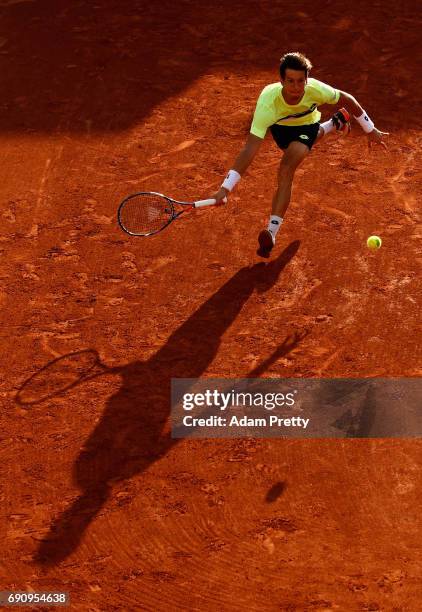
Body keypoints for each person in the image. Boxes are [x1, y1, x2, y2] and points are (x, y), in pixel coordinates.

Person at [211, 52, 389, 257]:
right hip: (280, 128)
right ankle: (335, 123)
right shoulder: (267, 104)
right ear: (281, 80)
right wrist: (225, 188)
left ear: (307, 80)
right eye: (290, 82)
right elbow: (250, 149)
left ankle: (271, 231)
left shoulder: (316, 90)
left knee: (286, 168)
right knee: (297, 146)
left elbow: (347, 98)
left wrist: (370, 129)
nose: (296, 88)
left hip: (307, 123)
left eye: (300, 82)